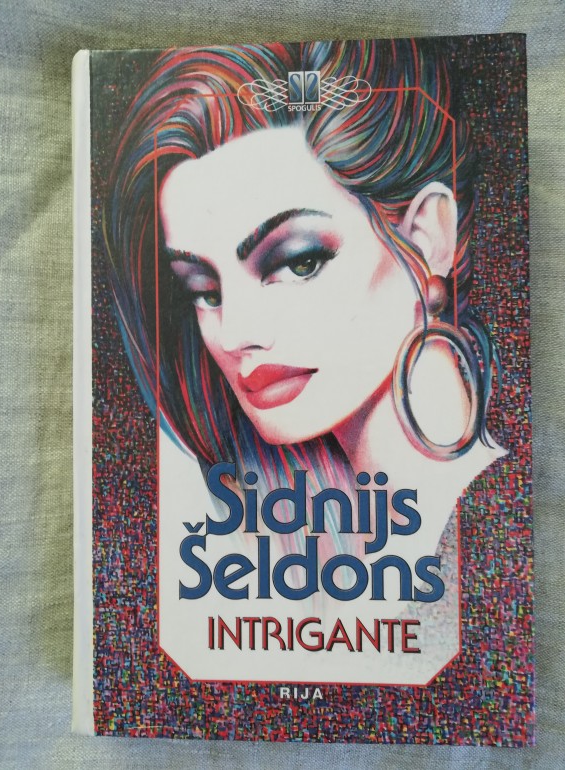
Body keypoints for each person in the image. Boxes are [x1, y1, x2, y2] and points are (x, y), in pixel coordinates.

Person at [104, 39, 504, 567]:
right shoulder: (287, 550)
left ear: (427, 239)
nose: (235, 333)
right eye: (206, 291)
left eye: (299, 262)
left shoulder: (503, 535)